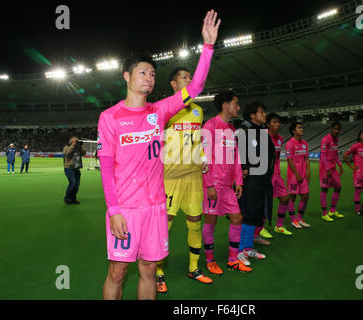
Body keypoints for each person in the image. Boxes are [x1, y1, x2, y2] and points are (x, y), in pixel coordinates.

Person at [97, 10, 219, 300]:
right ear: (126, 76)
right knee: (117, 272)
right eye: (143, 72)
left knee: (149, 270)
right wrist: (114, 211)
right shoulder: (110, 117)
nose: (149, 78)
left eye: (152, 74)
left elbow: (196, 87)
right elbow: (105, 168)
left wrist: (208, 47)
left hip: (155, 208)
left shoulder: (159, 111)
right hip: (124, 209)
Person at [156, 66, 213, 294]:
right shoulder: (165, 110)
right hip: (170, 176)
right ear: (173, 84)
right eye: (184, 77)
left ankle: (194, 268)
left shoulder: (198, 111)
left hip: (193, 175)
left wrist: (202, 157)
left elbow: (197, 141)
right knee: (164, 225)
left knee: (195, 220)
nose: (189, 80)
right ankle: (158, 272)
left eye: (191, 77)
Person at [201, 91, 251, 274]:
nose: (238, 107)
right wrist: (209, 185)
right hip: (213, 185)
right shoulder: (210, 126)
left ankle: (232, 259)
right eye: (235, 103)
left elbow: (236, 156)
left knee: (237, 218)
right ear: (225, 105)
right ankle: (210, 260)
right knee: (211, 221)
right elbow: (203, 159)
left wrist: (238, 181)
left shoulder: (230, 129)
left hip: (228, 186)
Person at [235, 102, 275, 266]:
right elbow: (235, 153)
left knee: (255, 212)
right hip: (248, 181)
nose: (264, 115)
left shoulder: (261, 131)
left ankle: (247, 246)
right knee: (248, 213)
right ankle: (241, 249)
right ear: (252, 115)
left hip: (261, 180)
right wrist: (243, 169)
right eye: (261, 112)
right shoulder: (243, 131)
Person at [259, 113, 293, 237]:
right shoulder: (263, 137)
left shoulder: (280, 139)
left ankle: (279, 226)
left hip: (277, 174)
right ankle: (261, 228)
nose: (277, 124)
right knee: (264, 203)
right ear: (267, 124)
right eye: (274, 122)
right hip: (266, 174)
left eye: (278, 122)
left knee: (284, 199)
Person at [343, 129, 363, 216]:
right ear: (360, 136)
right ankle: (357, 210)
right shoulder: (356, 146)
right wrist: (351, 166)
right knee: (358, 190)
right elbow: (345, 155)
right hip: (359, 172)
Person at [285, 122, 311, 229]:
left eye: (302, 127)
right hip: (293, 176)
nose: (302, 129)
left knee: (305, 196)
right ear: (293, 131)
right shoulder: (289, 144)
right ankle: (293, 220)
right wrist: (296, 174)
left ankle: (300, 218)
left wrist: (308, 172)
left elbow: (307, 159)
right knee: (292, 196)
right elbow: (290, 160)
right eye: (299, 127)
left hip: (303, 175)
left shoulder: (305, 144)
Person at [319, 122, 344, 222]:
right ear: (331, 129)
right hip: (325, 168)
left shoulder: (336, 139)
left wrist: (340, 164)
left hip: (333, 168)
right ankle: (324, 213)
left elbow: (335, 154)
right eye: (335, 129)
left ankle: (332, 210)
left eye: (338, 129)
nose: (336, 131)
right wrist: (327, 168)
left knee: (338, 188)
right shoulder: (325, 139)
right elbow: (323, 155)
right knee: (324, 189)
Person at [63, 136, 86, 204]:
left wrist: (80, 146)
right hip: (69, 168)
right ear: (71, 142)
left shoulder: (78, 147)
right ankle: (67, 198)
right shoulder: (67, 147)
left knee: (76, 185)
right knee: (73, 183)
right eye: (75, 141)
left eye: (77, 141)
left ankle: (73, 198)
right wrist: (73, 145)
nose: (76, 142)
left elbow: (84, 153)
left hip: (76, 168)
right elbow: (67, 153)